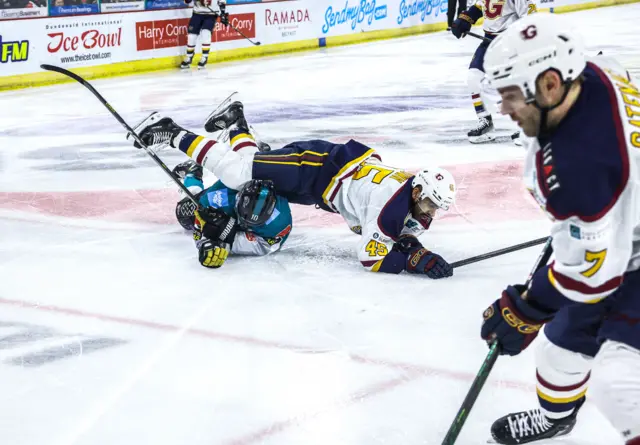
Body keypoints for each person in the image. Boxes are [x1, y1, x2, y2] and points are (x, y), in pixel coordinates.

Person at [479, 14, 640, 445]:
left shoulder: (577, 169)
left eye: (510, 95)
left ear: (550, 85)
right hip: (624, 232)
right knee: (559, 350)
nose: (502, 109)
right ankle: (557, 419)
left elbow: (592, 275)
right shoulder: (595, 69)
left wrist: (527, 308)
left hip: (626, 252)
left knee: (620, 383)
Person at [129, 102, 457, 278]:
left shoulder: (408, 199)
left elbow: (400, 236)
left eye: (435, 207)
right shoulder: (390, 206)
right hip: (315, 166)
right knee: (238, 173)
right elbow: (370, 257)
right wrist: (415, 262)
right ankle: (169, 132)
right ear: (416, 192)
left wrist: (419, 253)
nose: (431, 211)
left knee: (247, 167)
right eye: (429, 203)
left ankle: (235, 121)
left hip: (321, 184)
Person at [171, 159, 292, 269]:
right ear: (239, 196)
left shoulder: (279, 222)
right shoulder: (219, 195)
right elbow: (198, 232)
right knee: (184, 213)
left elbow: (266, 246)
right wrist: (206, 239)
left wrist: (223, 240)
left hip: (257, 232)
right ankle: (192, 173)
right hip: (228, 205)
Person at [451, 0, 537, 143]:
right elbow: (479, 6)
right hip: (489, 41)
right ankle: (485, 122)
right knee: (473, 78)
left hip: (511, 42)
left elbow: (530, 19)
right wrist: (464, 19)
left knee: (518, 81)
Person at [181, 0, 229, 69]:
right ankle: (189, 56)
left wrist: (223, 13)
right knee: (191, 36)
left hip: (211, 15)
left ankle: (204, 57)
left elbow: (222, 1)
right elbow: (187, 1)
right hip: (197, 13)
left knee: (206, 33)